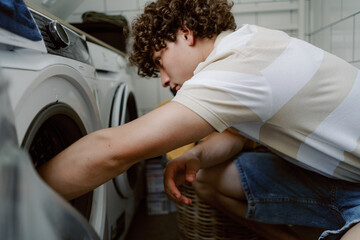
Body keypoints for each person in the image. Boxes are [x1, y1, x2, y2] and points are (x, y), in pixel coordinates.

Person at [37, 0, 360, 239]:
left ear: (185, 34)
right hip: (341, 179)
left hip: (348, 184)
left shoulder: (236, 66)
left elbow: (114, 149)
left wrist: (19, 195)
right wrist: (195, 155)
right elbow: (236, 136)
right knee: (204, 178)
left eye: (160, 62)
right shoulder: (247, 46)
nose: (163, 80)